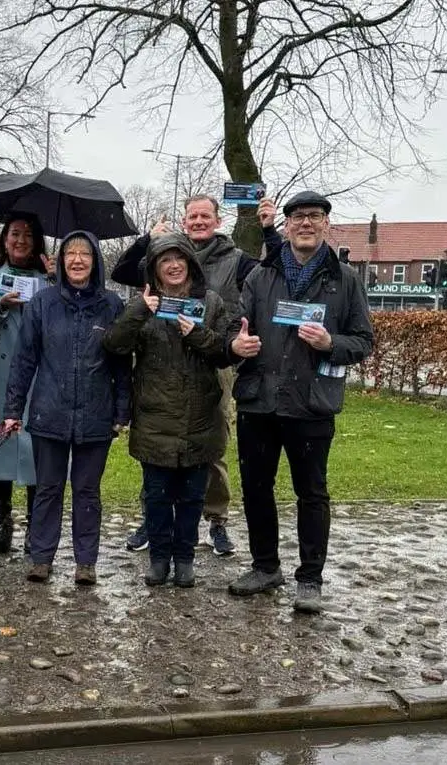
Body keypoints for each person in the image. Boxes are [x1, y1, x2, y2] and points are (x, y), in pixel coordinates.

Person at [225, 190, 374, 613]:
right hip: (259, 400)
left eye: (314, 216)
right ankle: (265, 566)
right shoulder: (261, 276)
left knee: (312, 492)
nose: (306, 223)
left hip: (311, 403)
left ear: (326, 223)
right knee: (256, 488)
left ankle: (310, 579)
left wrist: (330, 343)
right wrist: (236, 344)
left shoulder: (344, 279)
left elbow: (363, 340)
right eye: (298, 217)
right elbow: (234, 327)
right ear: (286, 225)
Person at [111, 195, 257, 556]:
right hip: (162, 360)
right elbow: (122, 272)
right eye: (193, 216)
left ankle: (216, 519)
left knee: (210, 442)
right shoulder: (164, 252)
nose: (199, 221)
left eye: (205, 216)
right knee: (158, 446)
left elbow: (264, 278)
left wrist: (267, 232)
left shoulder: (234, 258)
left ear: (217, 220)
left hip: (211, 354)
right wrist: (147, 239)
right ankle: (153, 519)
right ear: (184, 221)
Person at [103, 233, 232, 588]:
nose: (174, 266)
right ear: (155, 269)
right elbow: (114, 345)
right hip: (154, 418)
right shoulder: (144, 303)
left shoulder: (211, 302)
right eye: (165, 260)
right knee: (157, 498)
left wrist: (198, 335)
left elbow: (225, 352)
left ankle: (185, 558)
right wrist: (139, 311)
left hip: (199, 418)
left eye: (179, 259)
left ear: (190, 263)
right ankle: (159, 558)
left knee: (192, 498)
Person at [3, 231, 130, 586]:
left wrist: (122, 411)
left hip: (96, 414)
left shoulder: (112, 305)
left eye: (84, 254)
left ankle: (85, 562)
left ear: (95, 261)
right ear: (60, 260)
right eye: (70, 253)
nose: (77, 260)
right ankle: (41, 557)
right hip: (49, 412)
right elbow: (24, 360)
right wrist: (13, 409)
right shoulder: (42, 303)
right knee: (47, 488)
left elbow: (122, 364)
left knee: (87, 492)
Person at [0, 213, 51, 554]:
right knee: (3, 444)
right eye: (15, 234)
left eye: (28, 235)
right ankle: (3, 521)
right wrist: (0, 306)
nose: (21, 240)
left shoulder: (48, 281)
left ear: (37, 242)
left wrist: (54, 281)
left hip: (38, 375)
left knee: (35, 448)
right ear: (4, 239)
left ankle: (35, 527)